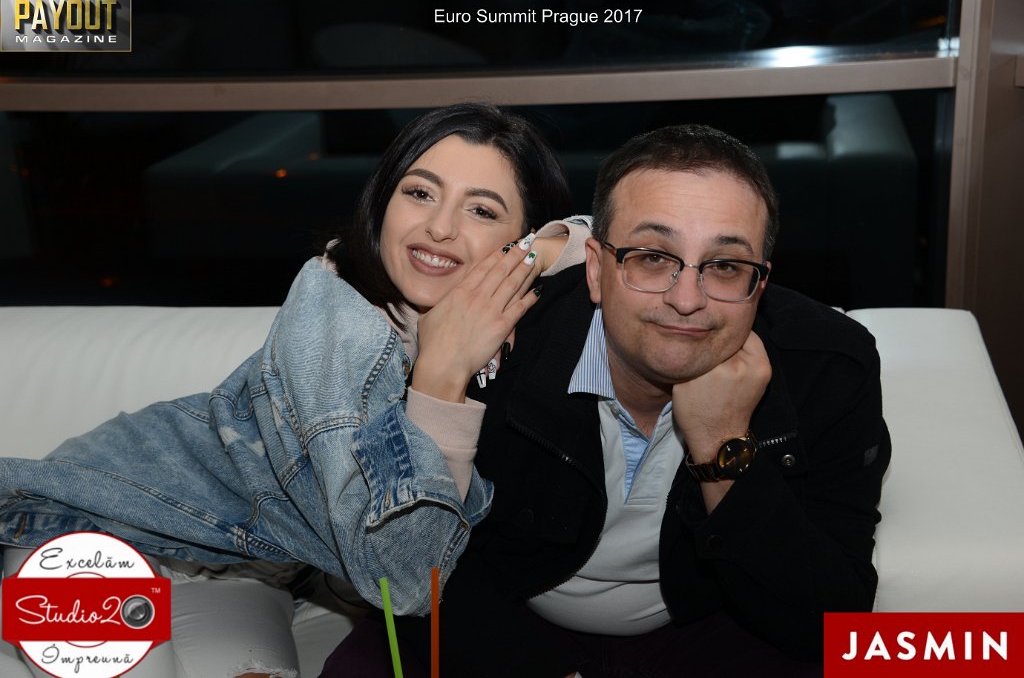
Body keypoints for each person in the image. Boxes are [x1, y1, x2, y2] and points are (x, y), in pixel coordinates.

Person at [0, 103, 588, 677]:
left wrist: (539, 253)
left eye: (481, 210)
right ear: (382, 203)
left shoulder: (480, 320)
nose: (440, 226)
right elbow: (408, 583)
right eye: (419, 192)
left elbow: (615, 249)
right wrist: (441, 378)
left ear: (521, 238)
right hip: (88, 527)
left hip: (247, 564)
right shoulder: (338, 323)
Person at [327, 123, 891, 677]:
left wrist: (723, 449)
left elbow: (828, 622)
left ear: (759, 284)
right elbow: (423, 569)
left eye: (724, 266)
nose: (686, 300)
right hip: (508, 618)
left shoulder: (829, 366)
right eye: (652, 257)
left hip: (710, 624)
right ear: (595, 269)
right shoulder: (489, 345)